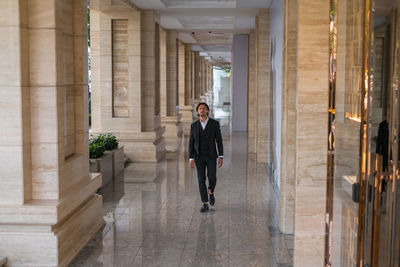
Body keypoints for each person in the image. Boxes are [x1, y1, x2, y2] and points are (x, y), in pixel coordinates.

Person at [189, 102, 224, 212]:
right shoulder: (194, 126)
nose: (202, 110)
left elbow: (219, 141)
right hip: (199, 157)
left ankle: (211, 192)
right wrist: (191, 158)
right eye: (200, 108)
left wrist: (221, 156)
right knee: (201, 179)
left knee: (212, 177)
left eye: (204, 108)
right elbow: (191, 142)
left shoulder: (214, 124)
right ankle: (204, 203)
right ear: (197, 111)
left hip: (211, 155)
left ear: (208, 111)